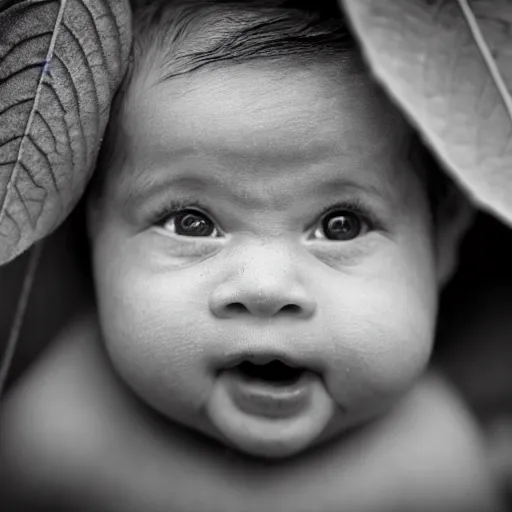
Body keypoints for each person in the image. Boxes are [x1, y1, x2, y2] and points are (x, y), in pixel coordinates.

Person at [0, 0, 504, 510]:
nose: (265, 288)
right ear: (90, 230)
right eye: (192, 223)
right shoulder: (53, 443)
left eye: (341, 225)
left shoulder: (436, 474)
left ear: (442, 244)